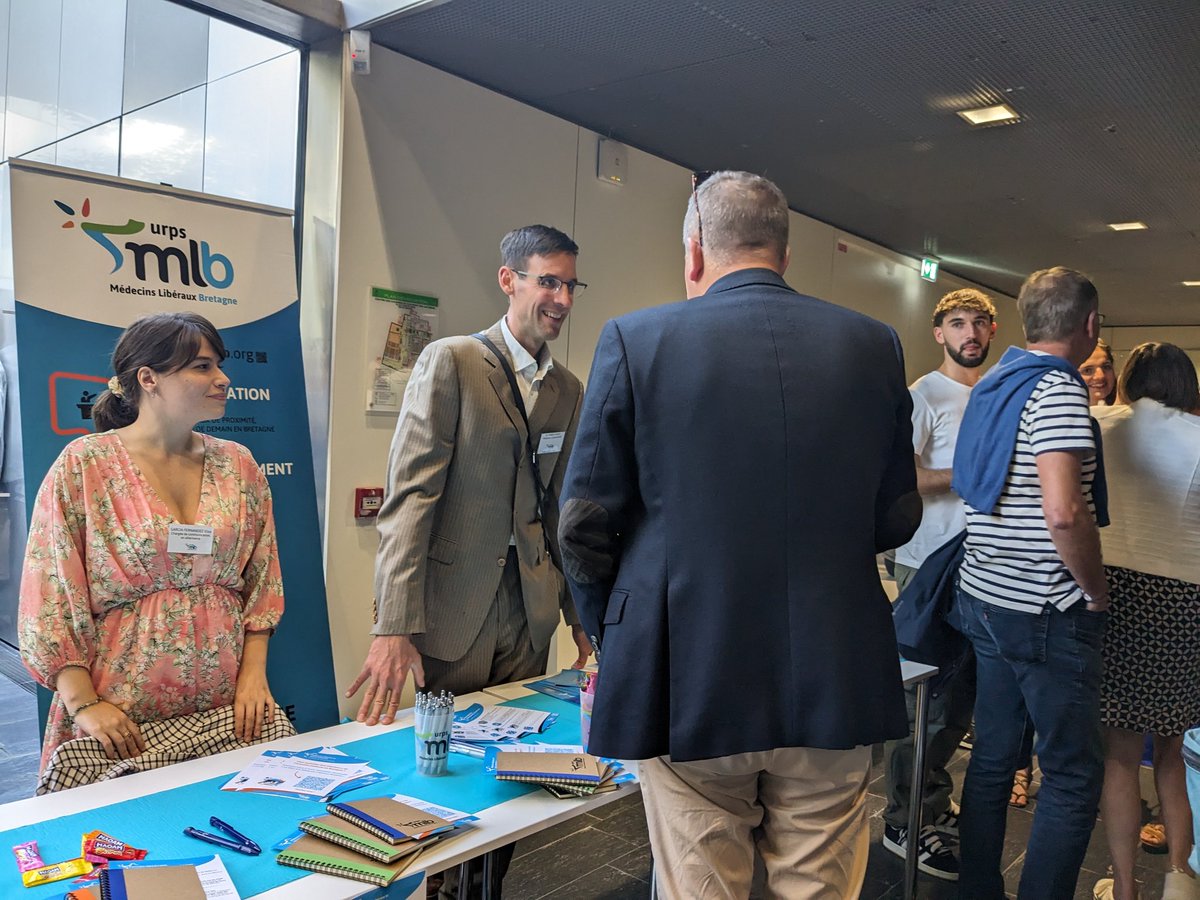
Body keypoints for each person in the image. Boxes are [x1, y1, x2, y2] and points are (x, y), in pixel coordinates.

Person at [559, 170, 920, 898]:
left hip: (686, 672)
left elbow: (583, 523)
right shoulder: (873, 345)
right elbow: (897, 515)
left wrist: (614, 632)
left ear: (694, 251)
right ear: (783, 254)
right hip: (834, 671)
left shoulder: (636, 339)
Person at [349, 225, 591, 898]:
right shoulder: (452, 361)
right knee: (444, 770)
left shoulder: (568, 389)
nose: (561, 299)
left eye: (571, 285)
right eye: (548, 281)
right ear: (509, 279)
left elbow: (562, 511)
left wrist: (582, 619)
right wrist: (394, 624)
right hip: (453, 611)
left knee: (515, 772)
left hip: (528, 611)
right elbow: (410, 500)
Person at [19, 312, 285, 777]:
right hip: (118, 710)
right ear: (148, 378)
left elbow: (263, 580)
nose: (223, 379)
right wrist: (83, 704)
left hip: (225, 703)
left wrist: (253, 676)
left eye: (219, 365)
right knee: (130, 821)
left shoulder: (238, 464)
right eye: (202, 366)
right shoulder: (86, 464)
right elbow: (50, 593)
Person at [952, 266, 1110, 899]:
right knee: (1071, 774)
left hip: (985, 595)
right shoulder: (1058, 389)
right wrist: (1095, 589)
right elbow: (1064, 512)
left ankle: (977, 890)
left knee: (993, 756)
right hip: (1043, 606)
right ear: (1090, 325)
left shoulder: (995, 382)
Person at [883, 288, 997, 880]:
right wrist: (971, 474)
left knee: (958, 706)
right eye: (957, 323)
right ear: (939, 332)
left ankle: (929, 802)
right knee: (924, 704)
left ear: (993, 329)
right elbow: (900, 476)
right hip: (928, 564)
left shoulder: (995, 392)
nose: (969, 333)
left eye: (978, 323)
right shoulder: (923, 395)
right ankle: (902, 819)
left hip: (985, 566)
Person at [1091, 342, 1200, 900]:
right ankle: (1180, 881)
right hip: (1186, 606)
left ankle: (1125, 887)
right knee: (1173, 755)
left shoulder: (1101, 425)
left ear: (1129, 378)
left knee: (1119, 758)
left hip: (1116, 599)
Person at [1082, 338, 1119, 406]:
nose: (1100, 376)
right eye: (1087, 370)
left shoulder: (1131, 410)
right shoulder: (1062, 411)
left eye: (1106, 367)